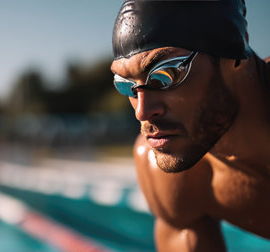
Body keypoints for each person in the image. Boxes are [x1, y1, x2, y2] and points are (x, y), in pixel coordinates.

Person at [110, 0, 269, 251]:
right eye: (125, 84)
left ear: (235, 56)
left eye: (166, 75)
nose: (142, 111)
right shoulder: (171, 173)